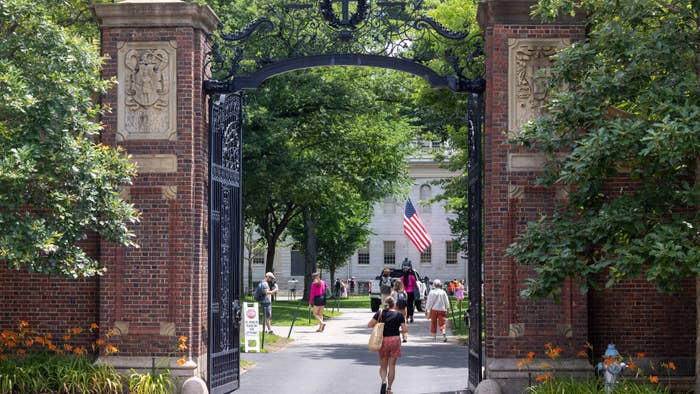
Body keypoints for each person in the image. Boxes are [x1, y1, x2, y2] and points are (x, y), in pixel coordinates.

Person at [368, 296, 407, 394]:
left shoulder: (380, 313)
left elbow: (370, 325)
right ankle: (389, 389)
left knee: (383, 365)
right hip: (395, 340)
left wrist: (379, 323)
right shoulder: (399, 315)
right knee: (392, 365)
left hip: (383, 340)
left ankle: (383, 381)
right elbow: (405, 330)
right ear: (394, 304)